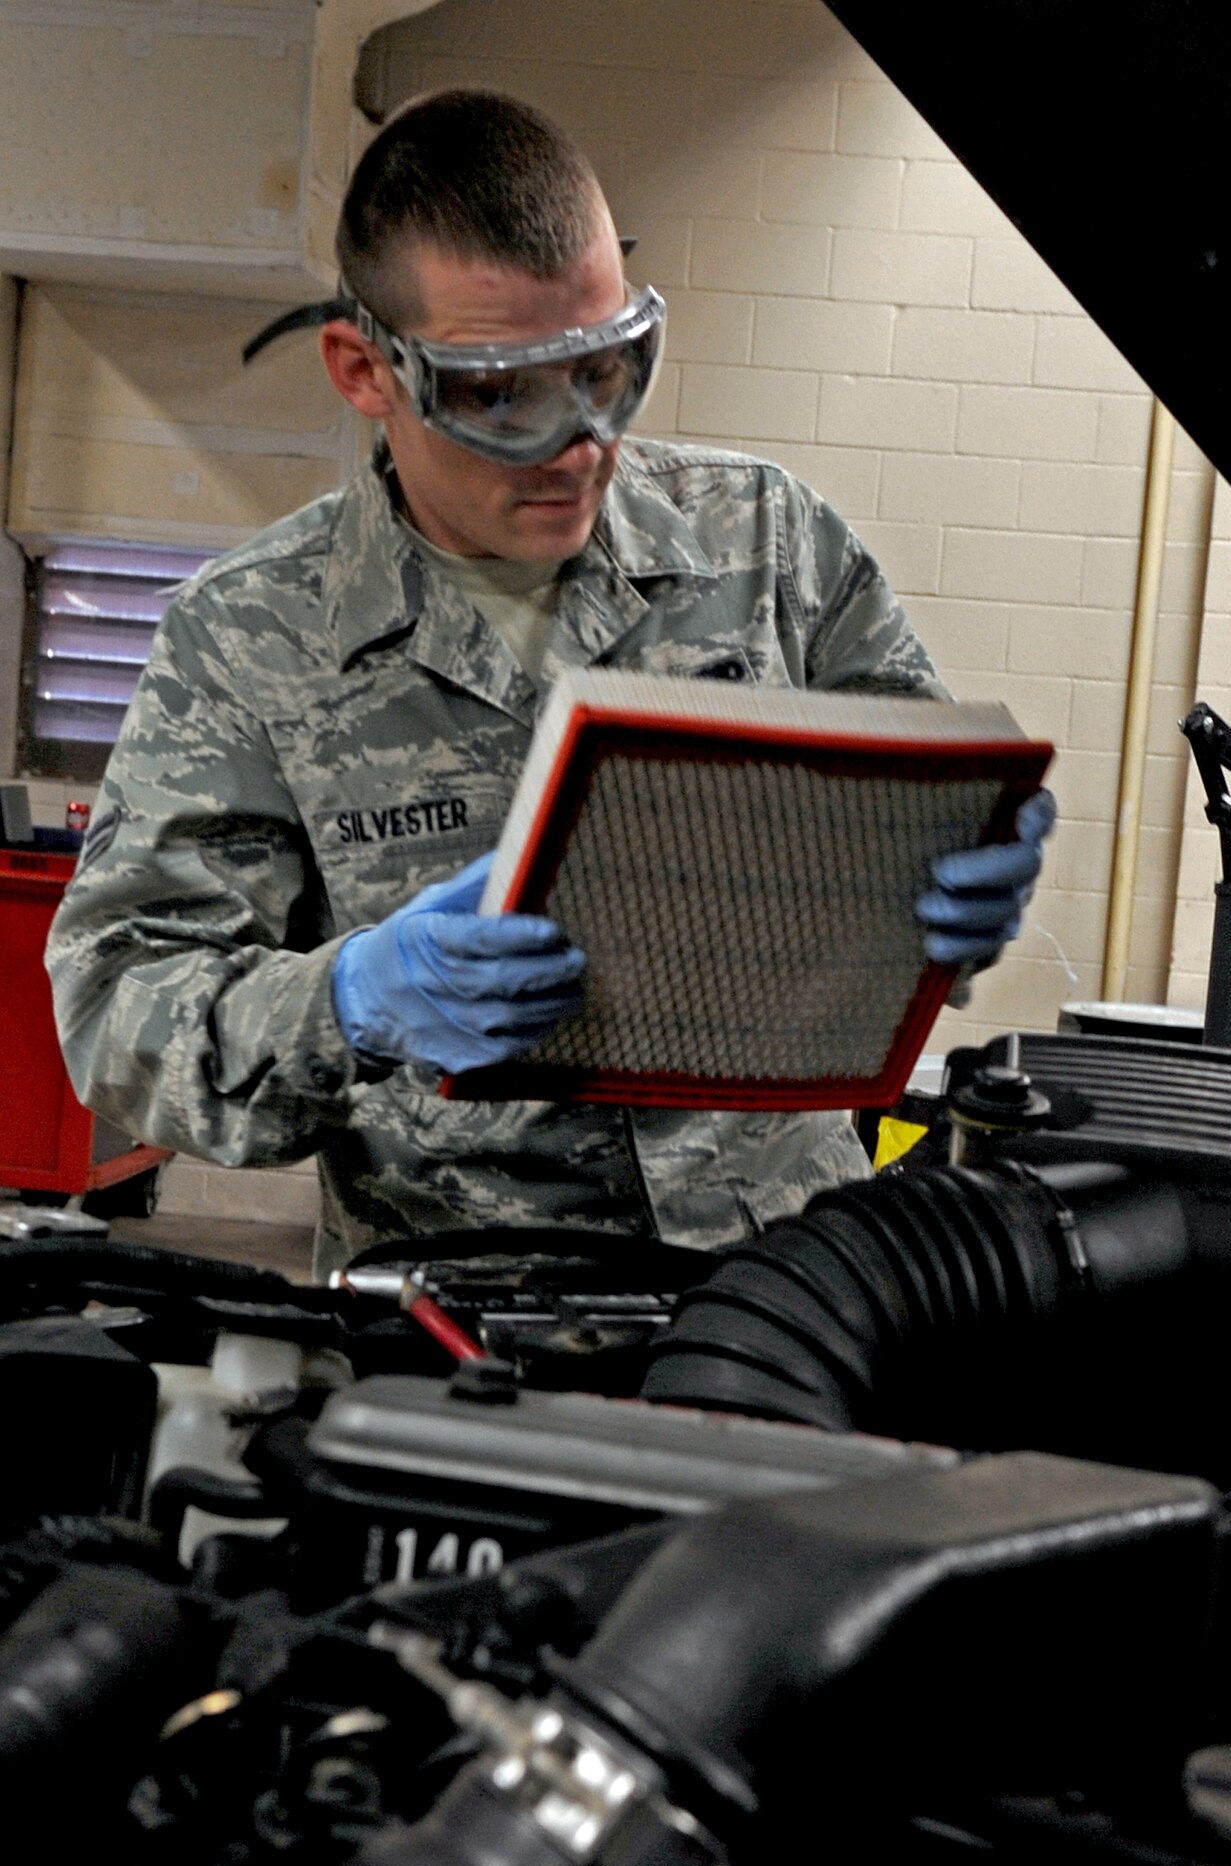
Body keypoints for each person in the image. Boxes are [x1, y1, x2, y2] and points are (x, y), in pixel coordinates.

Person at [46, 89, 1053, 1273]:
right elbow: (123, 1016)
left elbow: (928, 838)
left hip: (788, 1293)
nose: (580, 442)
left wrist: (969, 885)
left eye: (608, 368)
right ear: (367, 370)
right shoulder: (251, 635)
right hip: (461, 1316)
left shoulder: (767, 544)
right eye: (501, 394)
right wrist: (353, 998)